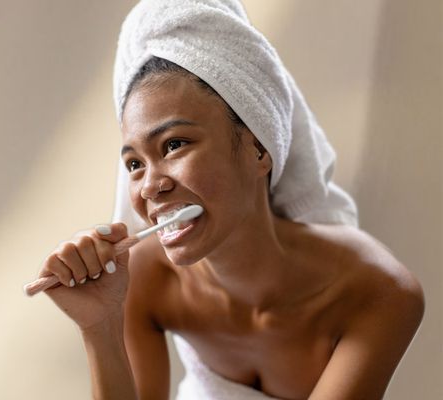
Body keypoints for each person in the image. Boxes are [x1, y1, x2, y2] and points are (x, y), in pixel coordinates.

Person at [36, 1, 424, 399]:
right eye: (134, 163)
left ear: (259, 148)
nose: (150, 186)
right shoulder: (144, 278)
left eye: (174, 145)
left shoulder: (378, 292)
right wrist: (100, 328)